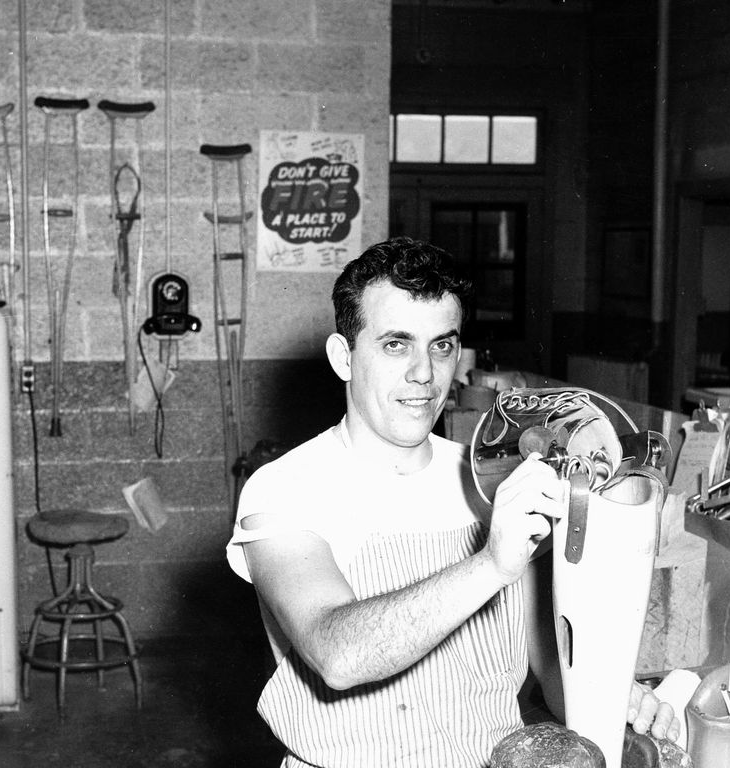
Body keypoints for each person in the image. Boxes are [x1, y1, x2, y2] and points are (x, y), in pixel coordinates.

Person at [225, 237, 677, 767]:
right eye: (397, 344)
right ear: (343, 357)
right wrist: (489, 564)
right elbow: (338, 654)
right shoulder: (285, 488)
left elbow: (550, 672)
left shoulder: (493, 477)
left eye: (442, 345)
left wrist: (610, 697)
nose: (424, 372)